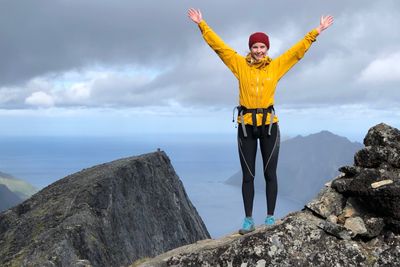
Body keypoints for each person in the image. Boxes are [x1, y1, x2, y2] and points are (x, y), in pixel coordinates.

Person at [188, 8, 334, 235]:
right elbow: (219, 47)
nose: (258, 50)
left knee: (269, 174)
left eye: (262, 47)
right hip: (246, 127)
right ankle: (248, 220)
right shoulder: (239, 64)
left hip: (269, 126)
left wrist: (317, 31)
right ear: (250, 48)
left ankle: (269, 218)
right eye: (255, 47)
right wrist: (201, 24)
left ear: (267, 49)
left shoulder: (275, 67)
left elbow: (296, 52)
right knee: (248, 175)